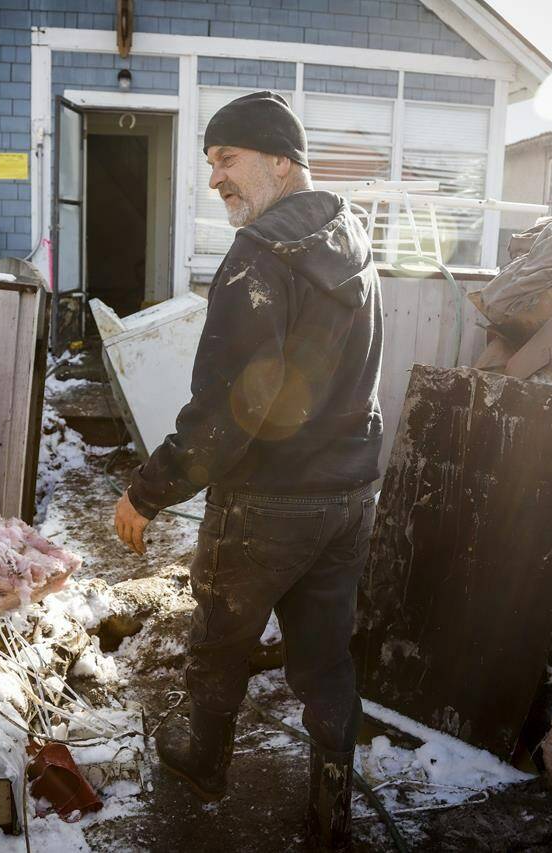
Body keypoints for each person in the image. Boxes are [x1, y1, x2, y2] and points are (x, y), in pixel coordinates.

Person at [112, 90, 383, 850]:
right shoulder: (351, 234)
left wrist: (147, 490)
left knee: (220, 639)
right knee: (325, 661)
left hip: (269, 501)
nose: (215, 178)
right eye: (210, 163)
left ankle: (203, 762)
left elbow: (232, 409)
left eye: (227, 159)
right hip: (347, 494)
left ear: (280, 158)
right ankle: (334, 808)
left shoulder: (259, 255)